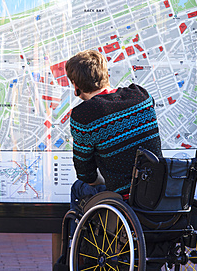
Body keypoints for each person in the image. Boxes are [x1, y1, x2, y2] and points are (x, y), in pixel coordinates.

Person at [65, 49, 162, 203]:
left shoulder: (83, 115)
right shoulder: (141, 95)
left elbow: (86, 175)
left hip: (125, 196)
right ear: (106, 75)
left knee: (78, 187)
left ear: (75, 85)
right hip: (159, 189)